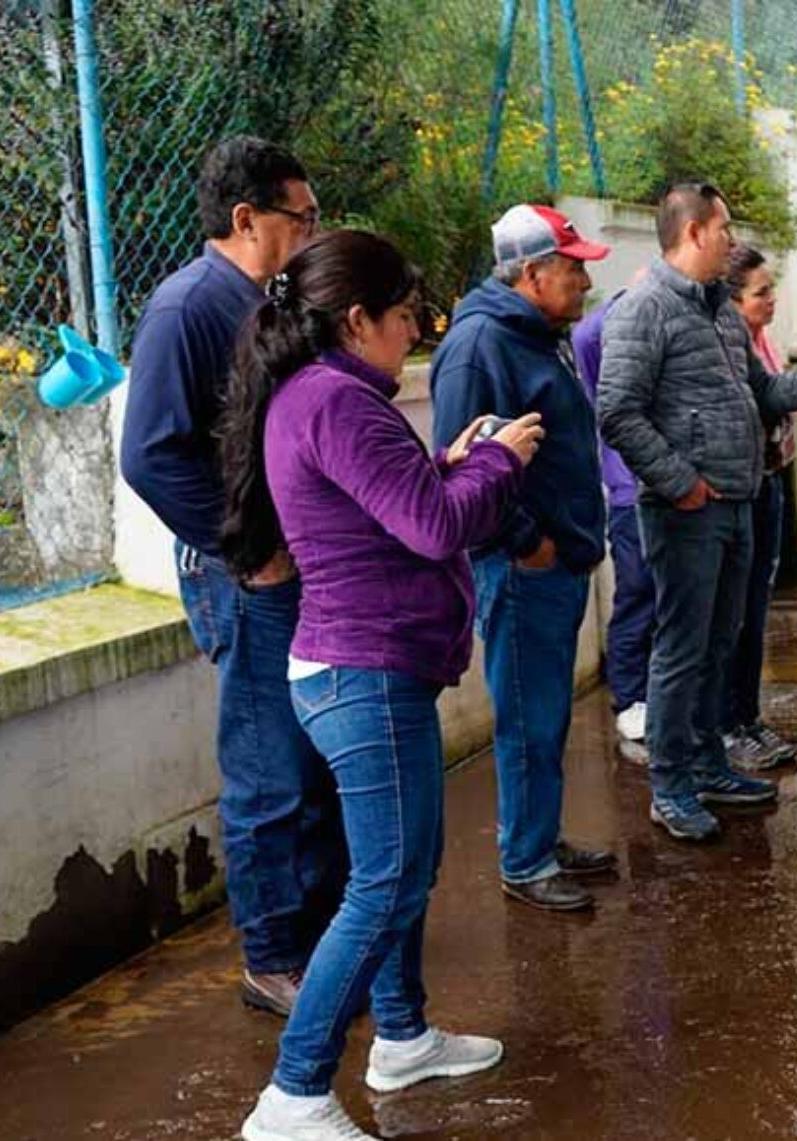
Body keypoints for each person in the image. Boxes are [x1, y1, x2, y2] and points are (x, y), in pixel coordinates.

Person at [219, 229, 543, 1141]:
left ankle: (401, 1035)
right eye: (405, 317)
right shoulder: (336, 399)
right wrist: (500, 461)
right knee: (385, 883)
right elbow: (435, 528)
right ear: (357, 319)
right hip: (362, 671)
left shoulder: (323, 394)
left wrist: (451, 462)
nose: (415, 333)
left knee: (399, 869)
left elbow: (388, 506)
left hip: (364, 666)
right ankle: (292, 1095)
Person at [119, 136, 340, 1018]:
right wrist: (245, 548)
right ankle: (274, 957)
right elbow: (149, 455)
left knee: (312, 761)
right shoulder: (188, 308)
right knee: (268, 770)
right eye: (302, 218)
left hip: (289, 567)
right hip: (247, 581)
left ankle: (321, 939)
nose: (314, 232)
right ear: (247, 219)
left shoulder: (267, 301)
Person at [597, 182, 797, 842]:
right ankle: (671, 785)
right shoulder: (643, 310)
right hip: (686, 512)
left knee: (718, 643)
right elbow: (617, 412)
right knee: (681, 648)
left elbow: (766, 393)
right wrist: (681, 483)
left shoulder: (722, 315)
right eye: (724, 228)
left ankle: (707, 764)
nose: (732, 239)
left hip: (737, 502)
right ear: (694, 232)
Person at [429, 204, 618, 912]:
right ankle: (526, 858)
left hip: (555, 560)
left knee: (547, 714)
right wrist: (528, 543)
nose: (584, 284)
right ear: (532, 274)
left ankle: (539, 836)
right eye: (573, 270)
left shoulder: (538, 334)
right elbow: (462, 462)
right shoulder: (482, 346)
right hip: (523, 566)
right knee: (526, 717)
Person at [720, 245, 797, 769]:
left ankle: (748, 717)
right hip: (742, 490)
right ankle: (727, 726)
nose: (772, 300)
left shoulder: (762, 344)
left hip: (770, 482)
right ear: (733, 301)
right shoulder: (726, 351)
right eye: (761, 293)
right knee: (734, 616)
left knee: (756, 612)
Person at [572, 274, 654, 747]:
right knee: (637, 595)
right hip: (629, 492)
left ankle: (656, 695)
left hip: (667, 489)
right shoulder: (595, 335)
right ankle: (630, 697)